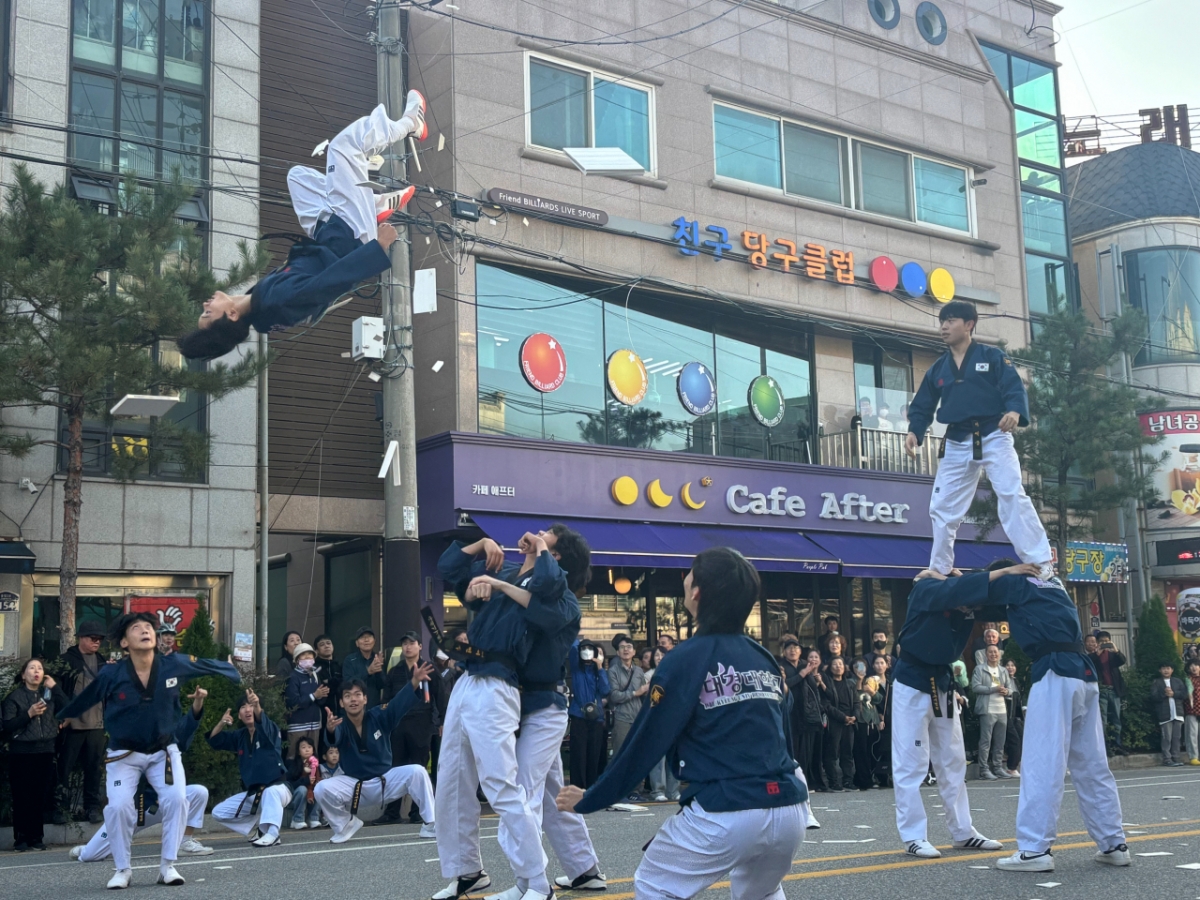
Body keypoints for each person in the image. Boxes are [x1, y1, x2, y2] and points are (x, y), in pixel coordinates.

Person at [556, 548, 807, 900]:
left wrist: (592, 796)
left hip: (727, 808)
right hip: (789, 809)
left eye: (689, 573)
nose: (684, 578)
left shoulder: (684, 659)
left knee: (656, 884)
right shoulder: (763, 657)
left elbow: (646, 741)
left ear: (697, 593)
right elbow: (784, 736)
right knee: (761, 893)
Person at [177, 93, 428, 360]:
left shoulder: (261, 308)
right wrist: (377, 247)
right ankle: (412, 123)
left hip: (329, 235)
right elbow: (329, 284)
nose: (206, 303)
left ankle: (371, 204)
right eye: (208, 312)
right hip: (350, 238)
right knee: (343, 147)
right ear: (232, 314)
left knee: (298, 177)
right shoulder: (276, 302)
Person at [56, 612, 242, 889]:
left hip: (163, 751)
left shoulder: (173, 664)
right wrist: (64, 715)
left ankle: (168, 866)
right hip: (124, 754)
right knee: (118, 807)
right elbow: (88, 697)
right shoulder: (112, 673)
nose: (145, 631)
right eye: (136, 628)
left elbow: (203, 665)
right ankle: (123, 869)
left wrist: (230, 671)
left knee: (178, 799)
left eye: (148, 627)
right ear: (123, 643)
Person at [434, 532, 569, 900]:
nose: (534, 536)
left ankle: (538, 882)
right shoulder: (505, 570)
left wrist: (539, 552)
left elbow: (549, 582)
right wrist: (480, 545)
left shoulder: (549, 584)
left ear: (554, 554)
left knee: (501, 785)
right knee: (451, 781)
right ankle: (466, 872)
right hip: (468, 679)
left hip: (500, 681)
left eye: (546, 539)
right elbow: (447, 569)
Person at [984, 561, 1130, 872]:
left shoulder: (1018, 583)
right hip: (1083, 672)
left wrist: (951, 579)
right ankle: (1113, 843)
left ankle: (1035, 850)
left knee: (1041, 761)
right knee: (1092, 763)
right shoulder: (1054, 584)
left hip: (1054, 671)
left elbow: (977, 593)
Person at [905, 300, 1054, 577]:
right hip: (957, 440)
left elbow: (1013, 385)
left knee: (1011, 493)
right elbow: (923, 404)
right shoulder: (939, 368)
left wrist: (1013, 410)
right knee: (941, 507)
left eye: (951, 320)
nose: (944, 326)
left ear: (969, 325)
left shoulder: (992, 356)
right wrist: (915, 430)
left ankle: (1041, 562)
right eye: (942, 321)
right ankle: (940, 567)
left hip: (994, 434)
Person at [890, 565, 1023, 859]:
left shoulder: (966, 606)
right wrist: (930, 578)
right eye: (966, 597)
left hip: (944, 683)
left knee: (952, 760)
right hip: (912, 682)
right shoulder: (926, 592)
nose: (969, 605)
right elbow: (948, 588)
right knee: (911, 763)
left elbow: (992, 600)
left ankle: (963, 831)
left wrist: (1010, 574)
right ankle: (913, 836)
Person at [71, 687, 216, 862]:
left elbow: (184, 732)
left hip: (161, 802)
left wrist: (197, 703)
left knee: (198, 792)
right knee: (90, 856)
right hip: (133, 808)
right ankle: (88, 849)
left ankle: (185, 842)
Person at [316, 676, 437, 843]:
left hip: (385, 782)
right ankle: (346, 824)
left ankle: (431, 823)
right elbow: (334, 738)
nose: (353, 699)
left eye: (358, 694)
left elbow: (397, 705)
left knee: (418, 771)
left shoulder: (378, 716)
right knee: (321, 788)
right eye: (348, 696)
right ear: (342, 703)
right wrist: (330, 729)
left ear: (365, 699)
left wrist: (414, 681)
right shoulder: (340, 725)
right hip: (355, 786)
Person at [209, 688, 292, 847]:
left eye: (251, 706)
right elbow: (215, 740)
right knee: (218, 812)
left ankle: (273, 833)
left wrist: (257, 705)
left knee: (270, 792)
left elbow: (263, 722)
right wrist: (221, 723)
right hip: (255, 794)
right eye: (243, 707)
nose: (248, 710)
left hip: (279, 788)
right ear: (239, 715)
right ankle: (258, 828)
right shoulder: (240, 736)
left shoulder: (270, 729)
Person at [381, 630, 446, 823]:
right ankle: (392, 813)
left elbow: (440, 697)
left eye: (412, 643)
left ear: (420, 646)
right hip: (398, 723)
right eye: (405, 644)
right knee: (395, 767)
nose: (408, 647)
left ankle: (418, 812)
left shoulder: (429, 668)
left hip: (422, 722)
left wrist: (442, 721)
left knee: (419, 767)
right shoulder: (395, 670)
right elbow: (387, 698)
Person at [3, 658, 68, 851]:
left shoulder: (48, 695)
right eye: (32, 668)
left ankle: (36, 837)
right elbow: (7, 726)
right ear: (23, 675)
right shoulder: (14, 697)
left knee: (39, 795)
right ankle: (21, 838)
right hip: (21, 752)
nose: (36, 671)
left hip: (45, 750)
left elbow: (68, 706)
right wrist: (28, 714)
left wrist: (55, 687)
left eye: (39, 668)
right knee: (22, 796)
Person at [57, 618, 108, 825]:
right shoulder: (66, 660)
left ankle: (92, 808)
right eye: (92, 638)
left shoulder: (103, 661)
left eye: (99, 639)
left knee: (94, 768)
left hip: (97, 725)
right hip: (71, 725)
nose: (96, 642)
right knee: (64, 768)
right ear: (81, 638)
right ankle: (61, 808)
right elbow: (55, 690)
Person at [568, 639, 611, 789]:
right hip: (579, 715)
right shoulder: (576, 668)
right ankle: (577, 787)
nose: (587, 652)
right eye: (584, 649)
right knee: (578, 754)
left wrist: (600, 666)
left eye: (590, 649)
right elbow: (573, 647)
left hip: (596, 717)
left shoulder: (598, 672)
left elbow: (606, 690)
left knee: (594, 754)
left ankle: (591, 787)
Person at [970, 644, 1016, 780]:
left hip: (1002, 709)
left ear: (999, 654)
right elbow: (975, 687)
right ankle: (984, 769)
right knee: (986, 741)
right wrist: (993, 689)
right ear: (986, 654)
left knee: (1000, 741)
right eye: (990, 652)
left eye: (995, 652)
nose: (993, 654)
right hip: (987, 709)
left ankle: (998, 768)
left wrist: (1006, 691)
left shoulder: (1003, 670)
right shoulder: (980, 669)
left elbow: (1011, 689)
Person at [1086, 632, 1129, 755]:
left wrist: (1116, 650)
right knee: (1102, 720)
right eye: (1101, 641)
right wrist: (1097, 653)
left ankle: (1117, 744)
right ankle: (1106, 746)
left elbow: (1122, 660)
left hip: (1114, 690)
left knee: (1116, 719)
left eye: (1106, 641)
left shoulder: (1112, 655)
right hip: (1101, 690)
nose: (1104, 644)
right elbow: (1089, 664)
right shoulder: (1093, 656)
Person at [608, 634, 648, 765]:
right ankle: (618, 785)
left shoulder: (639, 671)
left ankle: (637, 786)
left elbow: (644, 694)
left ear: (634, 652)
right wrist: (636, 692)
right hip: (621, 719)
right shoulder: (613, 671)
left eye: (629, 647)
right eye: (622, 647)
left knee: (637, 756)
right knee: (620, 757)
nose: (626, 650)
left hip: (637, 718)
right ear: (618, 652)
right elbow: (614, 696)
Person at [646, 645, 680, 803]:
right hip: (655, 719)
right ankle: (657, 790)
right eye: (656, 655)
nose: (659, 657)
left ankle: (673, 790)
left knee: (674, 757)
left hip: (673, 719)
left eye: (662, 654)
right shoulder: (648, 675)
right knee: (658, 758)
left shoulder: (676, 674)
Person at [285, 642, 327, 758]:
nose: (308, 657)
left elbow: (319, 700)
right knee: (295, 757)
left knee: (313, 757)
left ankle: (314, 777)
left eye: (310, 654)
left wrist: (323, 695)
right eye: (304, 655)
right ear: (297, 659)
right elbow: (293, 702)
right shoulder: (293, 677)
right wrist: (314, 695)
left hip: (315, 723)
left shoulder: (315, 674)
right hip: (298, 725)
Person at [821, 657, 857, 792]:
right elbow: (826, 705)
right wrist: (843, 717)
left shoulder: (850, 684)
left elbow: (857, 703)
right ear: (830, 667)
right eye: (835, 664)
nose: (838, 666)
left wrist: (854, 716)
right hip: (835, 721)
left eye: (840, 664)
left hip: (850, 722)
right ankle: (833, 781)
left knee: (848, 753)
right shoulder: (827, 684)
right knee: (832, 753)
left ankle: (848, 780)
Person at [796, 649, 827, 793]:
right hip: (807, 717)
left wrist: (820, 683)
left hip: (821, 716)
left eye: (816, 657)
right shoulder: (804, 675)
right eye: (811, 657)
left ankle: (818, 781)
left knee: (818, 752)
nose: (814, 659)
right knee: (806, 751)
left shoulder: (823, 676)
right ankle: (807, 781)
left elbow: (830, 696)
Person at [342, 626, 386, 708]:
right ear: (357, 643)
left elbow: (382, 685)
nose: (366, 640)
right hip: (355, 707)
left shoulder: (377, 659)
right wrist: (368, 672)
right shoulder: (350, 660)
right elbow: (347, 683)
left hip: (374, 706)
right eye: (362, 637)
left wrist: (379, 671)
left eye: (369, 637)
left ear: (374, 641)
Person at [1152, 663, 1186, 768]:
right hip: (1165, 714)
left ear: (1172, 670)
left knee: (1177, 737)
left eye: (1168, 668)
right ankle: (1167, 758)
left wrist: (1173, 694)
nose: (1166, 670)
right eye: (1163, 668)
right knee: (1166, 737)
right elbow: (1153, 697)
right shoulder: (1156, 682)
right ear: (1160, 670)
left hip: (1178, 713)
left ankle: (1176, 757)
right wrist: (1164, 694)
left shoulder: (1178, 681)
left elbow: (1184, 694)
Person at [286, 736, 324, 829]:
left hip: (311, 794)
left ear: (313, 750)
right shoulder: (293, 764)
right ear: (298, 751)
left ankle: (314, 818)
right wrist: (306, 780)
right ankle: (297, 819)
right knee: (303, 789)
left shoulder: (316, 764)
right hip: (295, 797)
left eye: (309, 747)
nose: (307, 750)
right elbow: (291, 785)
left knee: (320, 788)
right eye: (303, 747)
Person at [1003, 658, 1025, 776]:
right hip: (1006, 714)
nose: (1010, 667)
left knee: (1022, 738)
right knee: (1014, 740)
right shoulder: (1002, 680)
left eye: (1012, 665)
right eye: (1007, 665)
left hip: (1016, 716)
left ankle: (1017, 764)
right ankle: (1011, 767)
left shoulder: (1016, 681)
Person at [1183, 660, 1200, 765]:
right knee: (1192, 734)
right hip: (1191, 710)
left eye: (1196, 665)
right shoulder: (1187, 680)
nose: (1194, 668)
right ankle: (1193, 756)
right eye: (1191, 666)